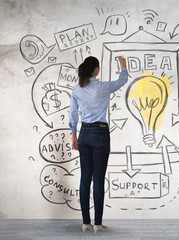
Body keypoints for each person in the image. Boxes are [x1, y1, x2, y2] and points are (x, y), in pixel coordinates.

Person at [69, 56, 128, 234]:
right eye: (98, 68)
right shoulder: (102, 87)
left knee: (85, 178)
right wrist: (123, 65)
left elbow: (73, 113)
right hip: (100, 133)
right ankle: (97, 223)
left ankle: (85, 222)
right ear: (95, 69)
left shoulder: (77, 88)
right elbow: (122, 80)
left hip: (84, 133)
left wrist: (74, 134)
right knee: (98, 179)